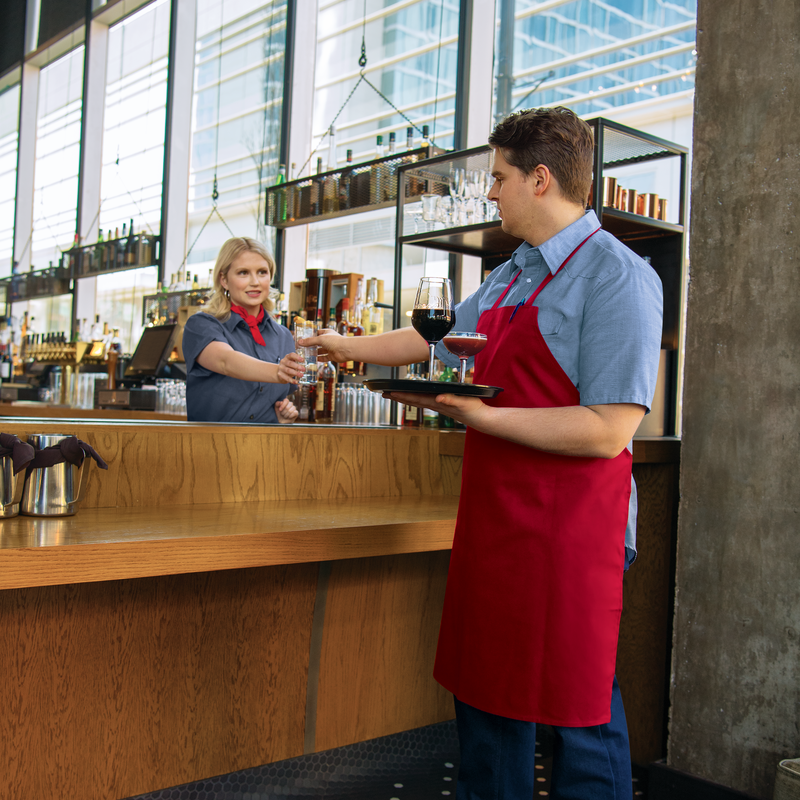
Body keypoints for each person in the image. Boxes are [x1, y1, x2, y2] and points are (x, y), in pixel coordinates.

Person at [302, 107, 663, 799]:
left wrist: (479, 416)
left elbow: (608, 429)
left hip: (573, 531)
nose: (490, 192)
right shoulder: (512, 273)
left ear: (540, 178)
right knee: (488, 699)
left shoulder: (618, 277)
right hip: (498, 518)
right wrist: (343, 347)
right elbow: (431, 340)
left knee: (576, 716)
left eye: (497, 178)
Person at [182, 237, 302, 424]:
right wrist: (278, 371)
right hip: (211, 447)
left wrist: (283, 417)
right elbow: (225, 361)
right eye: (243, 273)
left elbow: (280, 402)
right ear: (224, 279)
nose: (255, 282)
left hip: (266, 447)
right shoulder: (201, 325)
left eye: (262, 272)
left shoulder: (283, 336)